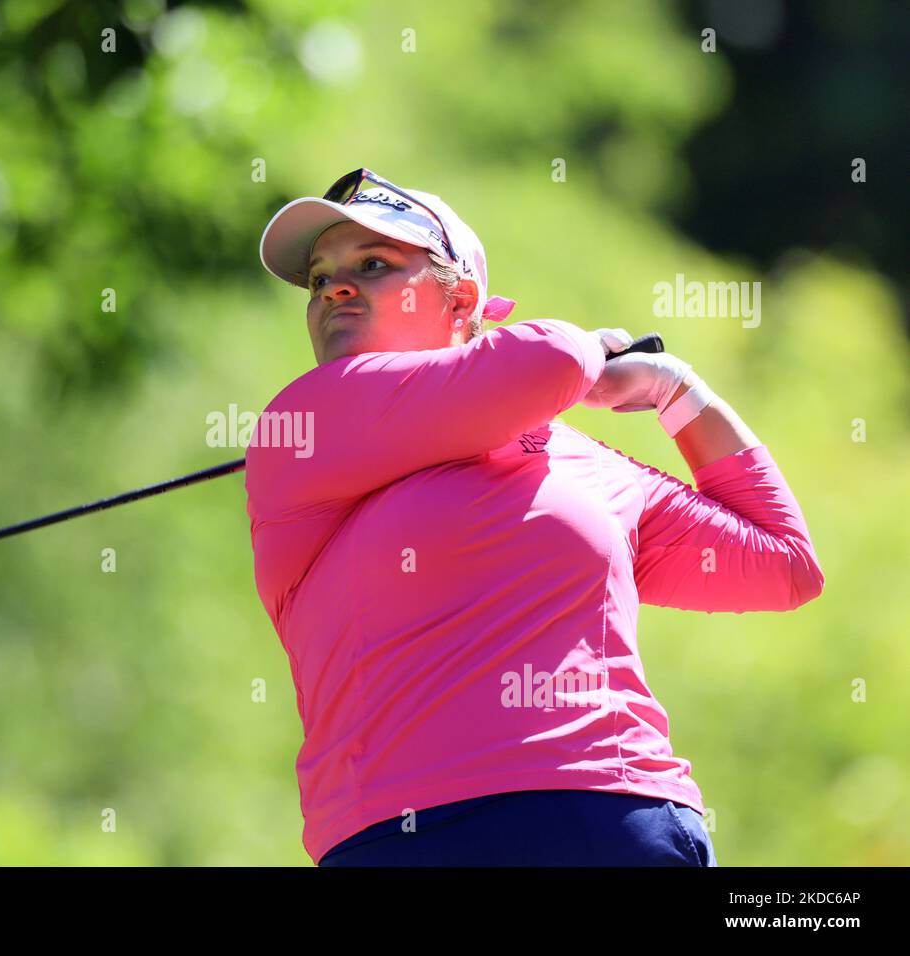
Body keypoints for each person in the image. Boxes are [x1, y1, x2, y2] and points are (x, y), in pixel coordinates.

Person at [245, 168, 825, 866]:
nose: (335, 289)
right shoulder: (305, 424)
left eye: (372, 265)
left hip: (615, 817)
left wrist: (677, 391)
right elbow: (549, 358)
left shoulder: (580, 460)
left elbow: (783, 564)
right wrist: (586, 357)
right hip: (404, 839)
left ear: (461, 298)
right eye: (319, 279)